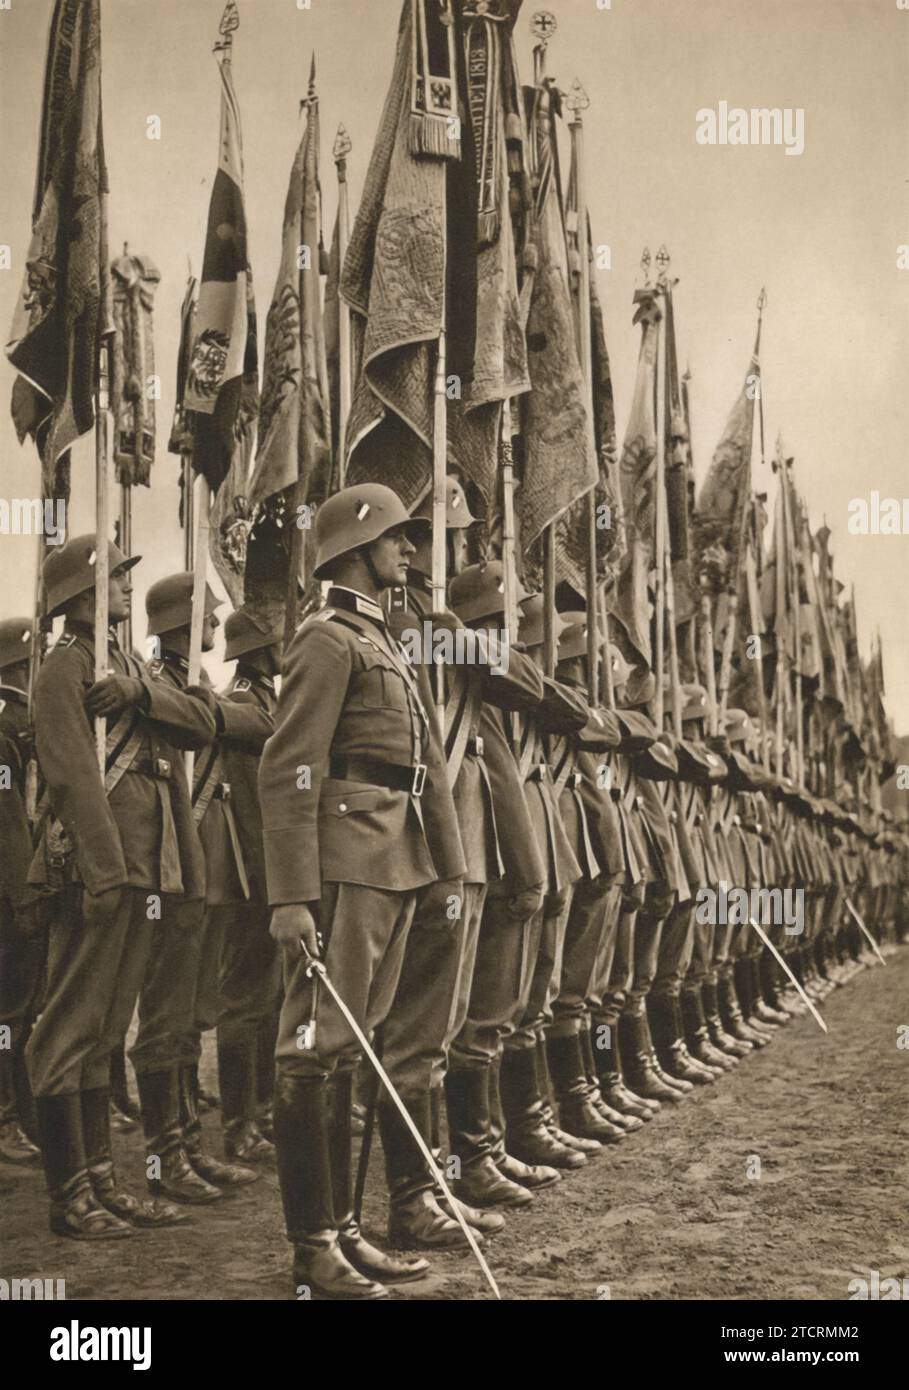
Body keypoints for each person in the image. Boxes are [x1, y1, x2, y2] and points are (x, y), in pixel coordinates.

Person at [259, 482, 466, 1300]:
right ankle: (312, 1250)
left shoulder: (382, 638)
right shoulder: (325, 640)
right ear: (355, 546)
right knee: (311, 1048)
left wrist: (445, 868)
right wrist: (290, 896)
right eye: (398, 538)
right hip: (345, 863)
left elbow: (420, 771)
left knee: (352, 1046)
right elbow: (288, 769)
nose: (410, 552)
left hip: (394, 860)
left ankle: (343, 1231)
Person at [26, 536, 212, 1238]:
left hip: (148, 866)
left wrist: (140, 690)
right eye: (114, 579)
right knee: (67, 1031)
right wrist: (104, 872)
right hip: (101, 871)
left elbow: (195, 727)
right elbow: (74, 776)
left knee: (105, 1029)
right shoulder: (65, 668)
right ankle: (68, 1194)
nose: (129, 589)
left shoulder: (128, 666)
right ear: (78, 594)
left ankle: (102, 1183)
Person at [133, 574, 261, 1202]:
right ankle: (163, 1159)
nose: (215, 626)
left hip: (205, 867)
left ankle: (185, 1144)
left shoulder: (194, 688)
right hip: (171, 867)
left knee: (189, 1015)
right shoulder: (160, 687)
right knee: (165, 1015)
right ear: (182, 622)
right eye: (207, 617)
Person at [215, 606, 284, 1162]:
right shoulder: (241, 702)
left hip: (269, 870)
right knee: (243, 1002)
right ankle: (238, 1123)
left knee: (268, 998)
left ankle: (262, 1110)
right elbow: (248, 806)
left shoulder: (266, 699)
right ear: (258, 652)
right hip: (247, 872)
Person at [0, 616, 42, 1165]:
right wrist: (23, 891)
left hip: (16, 881)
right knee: (11, 1010)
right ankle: (9, 1116)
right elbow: (9, 816)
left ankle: (22, 1110)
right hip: (12, 888)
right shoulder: (12, 724)